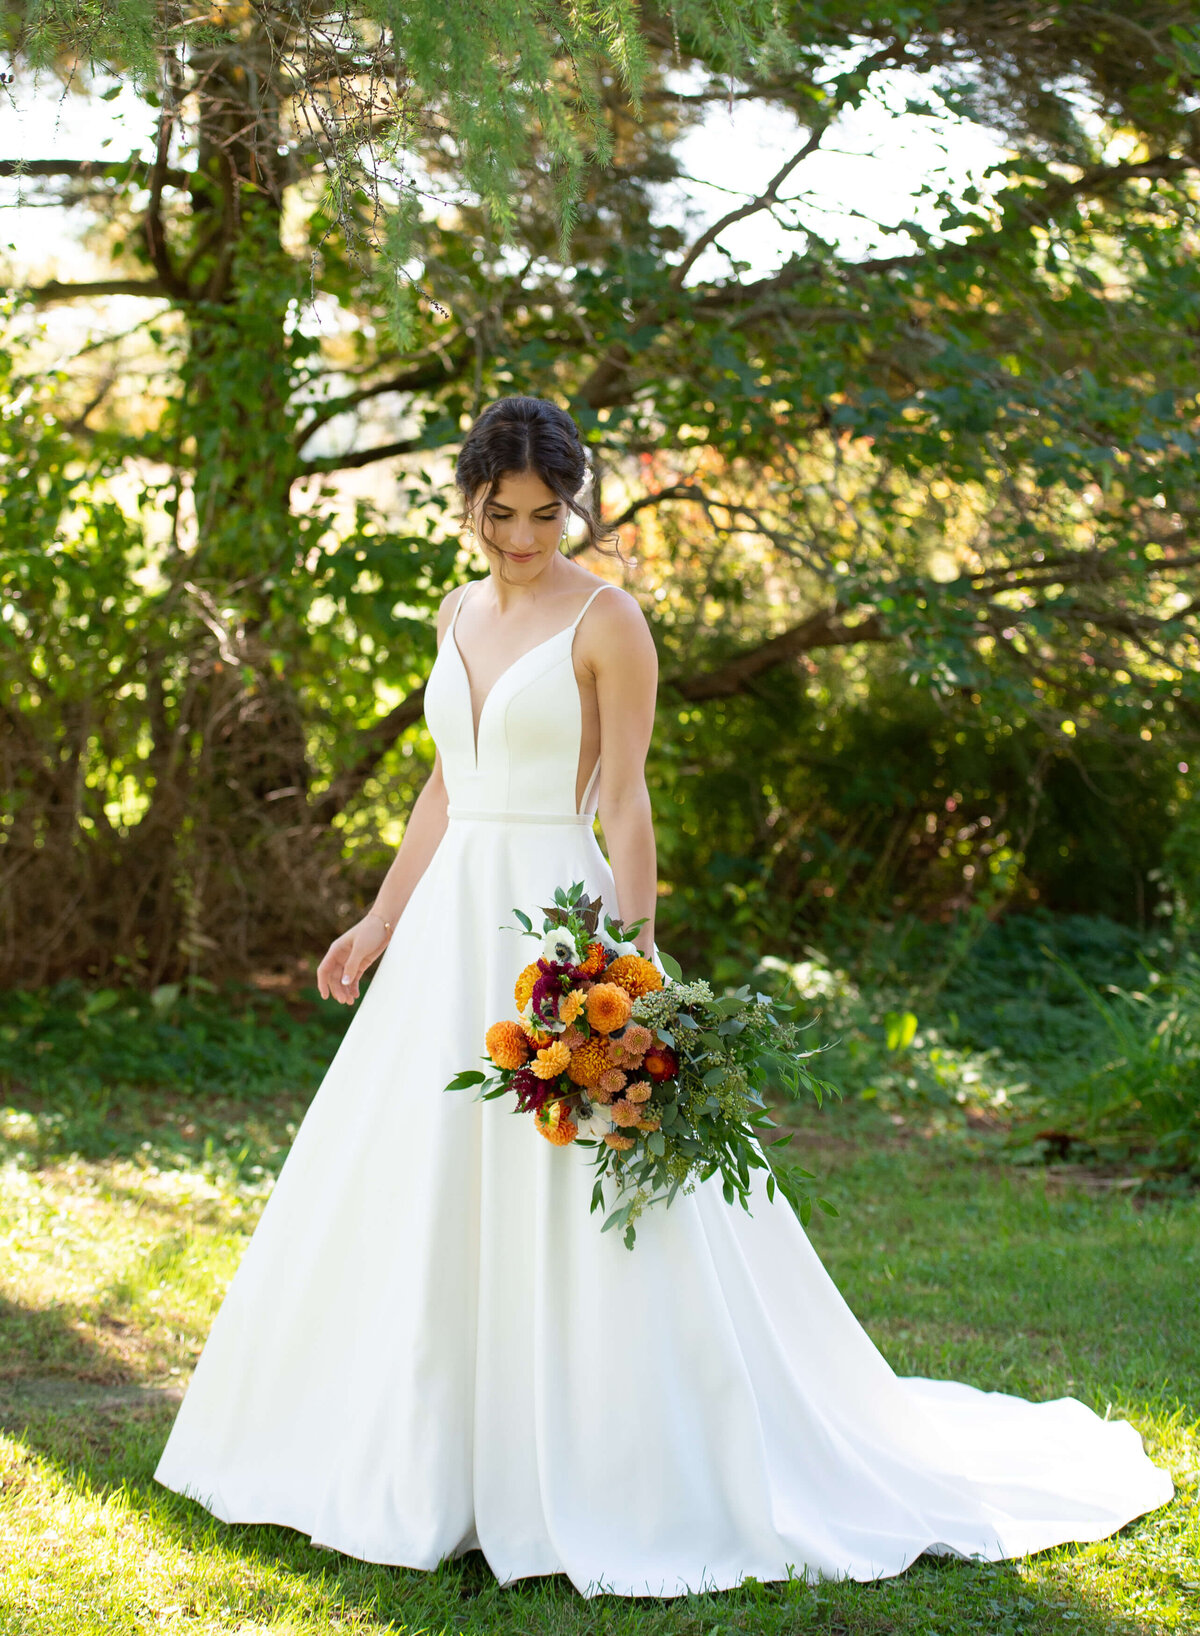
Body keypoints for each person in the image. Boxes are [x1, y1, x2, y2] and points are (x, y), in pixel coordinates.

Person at [154, 395, 1173, 1598]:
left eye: (545, 514)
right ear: (469, 502)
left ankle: (606, 1459)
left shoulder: (607, 617)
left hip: (556, 925)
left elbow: (626, 798)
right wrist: (376, 923)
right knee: (415, 1182)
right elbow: (446, 785)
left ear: (571, 504)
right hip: (445, 937)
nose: (522, 537)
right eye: (500, 513)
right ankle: (424, 1458)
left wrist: (628, 964)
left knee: (579, 1184)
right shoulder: (457, 609)